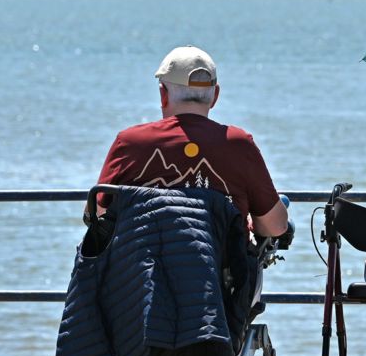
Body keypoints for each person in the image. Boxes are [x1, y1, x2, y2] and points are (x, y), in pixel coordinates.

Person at [93, 45, 288, 238]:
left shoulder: (130, 142)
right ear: (215, 96)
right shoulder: (239, 144)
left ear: (163, 94)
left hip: (141, 267)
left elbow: (96, 214)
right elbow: (275, 227)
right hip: (220, 269)